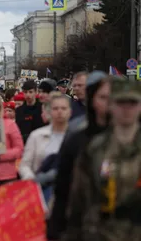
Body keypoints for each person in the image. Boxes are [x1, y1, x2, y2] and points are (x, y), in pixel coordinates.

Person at [62, 78, 141, 241]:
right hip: (101, 234)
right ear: (111, 106)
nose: (126, 109)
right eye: (120, 102)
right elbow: (79, 201)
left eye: (132, 102)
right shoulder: (95, 148)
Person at [47, 71, 110, 240]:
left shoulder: (131, 137)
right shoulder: (77, 133)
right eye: (102, 97)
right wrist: (55, 229)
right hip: (84, 223)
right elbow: (64, 187)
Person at [19, 92, 71, 205]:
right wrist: (32, 180)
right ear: (49, 111)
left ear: (70, 111)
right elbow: (25, 164)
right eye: (55, 108)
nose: (60, 111)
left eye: (63, 108)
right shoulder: (36, 136)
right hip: (40, 191)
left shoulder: (77, 136)